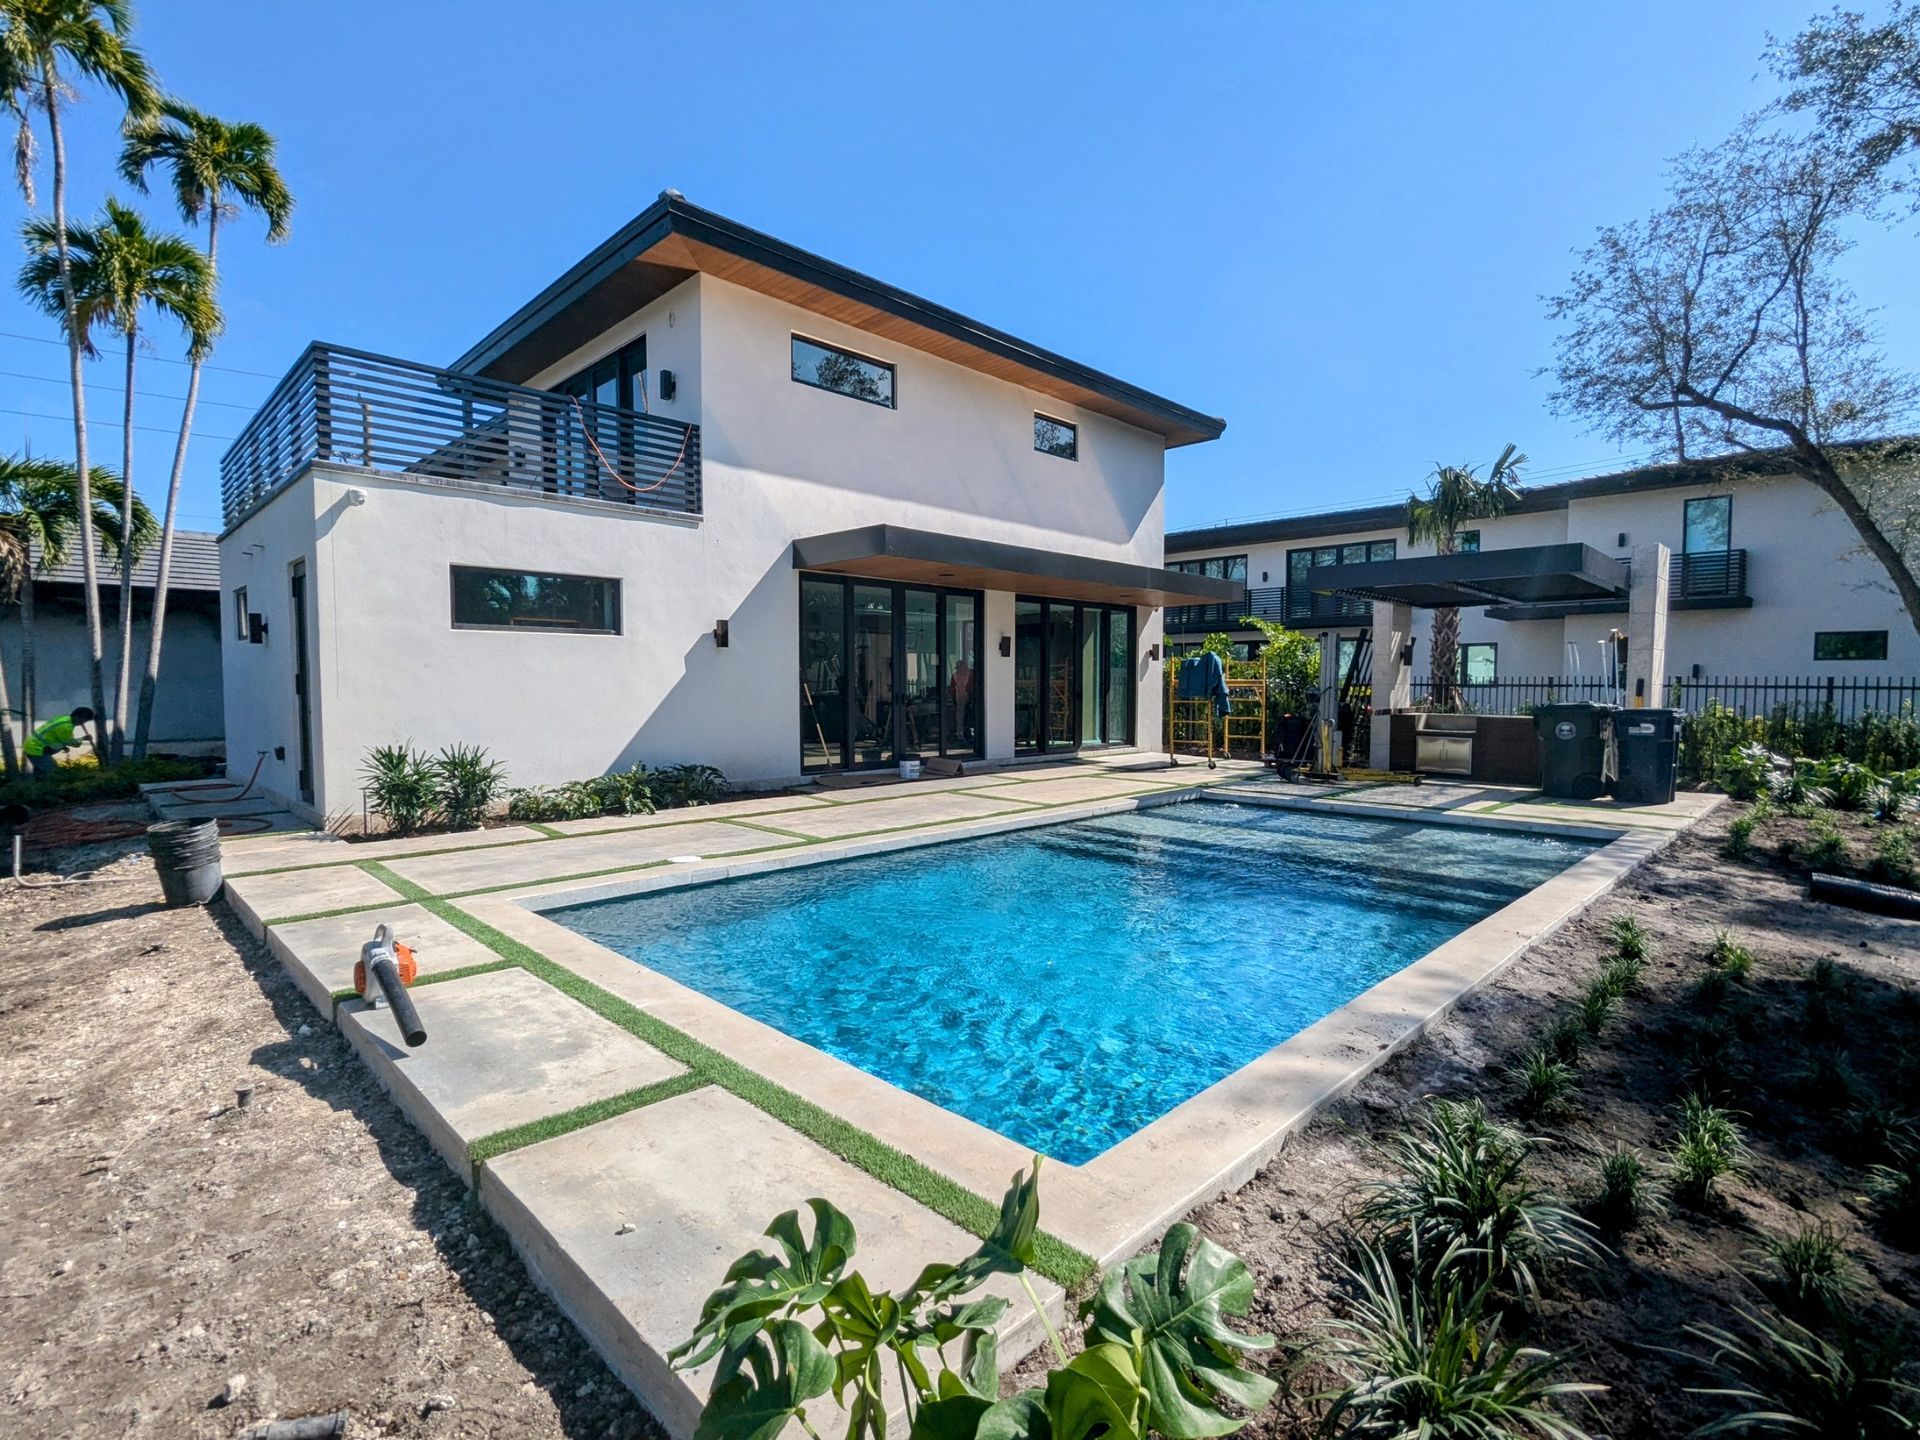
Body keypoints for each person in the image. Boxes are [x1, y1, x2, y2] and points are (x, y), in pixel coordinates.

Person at [23, 707, 94, 778]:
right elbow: (71, 742)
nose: (83, 723)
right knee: (52, 771)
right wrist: (83, 739)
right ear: (77, 717)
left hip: (34, 745)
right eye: (84, 720)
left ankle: (35, 786)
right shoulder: (66, 727)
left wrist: (62, 746)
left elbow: (56, 737)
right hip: (36, 748)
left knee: (41, 772)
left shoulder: (64, 719)